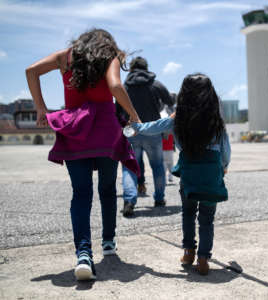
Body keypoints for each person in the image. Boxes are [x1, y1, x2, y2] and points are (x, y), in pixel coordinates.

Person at [25, 29, 141, 281]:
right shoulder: (111, 55)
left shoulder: (64, 57)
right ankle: (109, 242)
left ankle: (83, 254)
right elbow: (115, 85)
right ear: (107, 43)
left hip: (75, 129)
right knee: (108, 189)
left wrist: (41, 109)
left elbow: (30, 71)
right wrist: (133, 115)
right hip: (106, 131)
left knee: (81, 194)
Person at [130, 73, 231, 275]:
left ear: (184, 95)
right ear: (210, 95)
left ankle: (188, 252)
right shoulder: (215, 120)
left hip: (189, 174)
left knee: (188, 213)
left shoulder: (178, 119)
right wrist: (223, 166)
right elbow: (225, 149)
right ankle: (203, 258)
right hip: (211, 173)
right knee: (207, 219)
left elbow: (153, 127)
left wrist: (135, 125)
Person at [116, 56, 174, 216]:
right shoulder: (155, 84)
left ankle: (129, 200)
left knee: (129, 167)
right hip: (153, 131)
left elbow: (117, 112)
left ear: (132, 69)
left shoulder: (124, 87)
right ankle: (159, 199)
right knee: (157, 165)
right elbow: (169, 100)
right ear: (146, 67)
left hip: (132, 132)